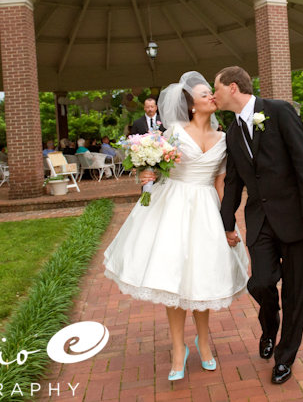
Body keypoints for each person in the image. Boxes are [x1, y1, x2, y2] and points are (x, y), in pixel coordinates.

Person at [103, 71, 248, 382]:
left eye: (212, 92)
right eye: (204, 94)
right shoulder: (172, 134)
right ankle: (178, 347)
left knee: (203, 278)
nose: (211, 96)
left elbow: (222, 184)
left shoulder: (225, 138)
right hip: (172, 209)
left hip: (207, 209)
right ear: (192, 105)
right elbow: (152, 168)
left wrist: (229, 223)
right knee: (174, 281)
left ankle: (204, 343)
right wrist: (145, 174)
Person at [213, 66, 303, 386]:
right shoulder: (232, 132)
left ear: (233, 88)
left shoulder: (278, 111)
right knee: (260, 283)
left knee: (295, 292)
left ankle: (285, 357)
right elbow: (233, 182)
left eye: (216, 88)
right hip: (259, 220)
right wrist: (227, 222)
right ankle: (269, 326)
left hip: (294, 217)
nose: (214, 94)